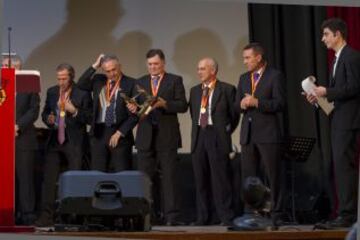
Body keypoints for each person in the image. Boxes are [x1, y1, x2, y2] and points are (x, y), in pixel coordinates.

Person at [304, 18, 360, 228]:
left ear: (338, 35)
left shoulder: (352, 56)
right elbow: (339, 95)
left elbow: (354, 87)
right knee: (340, 167)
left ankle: (348, 215)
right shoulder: (336, 59)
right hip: (339, 119)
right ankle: (345, 212)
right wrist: (318, 98)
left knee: (345, 167)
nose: (323, 39)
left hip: (349, 121)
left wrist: (326, 91)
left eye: (326, 34)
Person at [128, 49, 187, 225]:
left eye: (156, 64)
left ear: (163, 63)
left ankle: (172, 217)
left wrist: (164, 104)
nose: (153, 67)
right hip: (145, 137)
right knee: (145, 179)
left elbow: (183, 105)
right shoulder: (140, 82)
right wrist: (132, 108)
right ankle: (148, 216)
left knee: (169, 179)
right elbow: (136, 106)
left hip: (166, 137)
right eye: (150, 64)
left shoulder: (174, 80)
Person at [35, 63, 92, 226]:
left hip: (74, 142)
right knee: (49, 180)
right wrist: (48, 119)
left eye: (64, 79)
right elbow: (45, 112)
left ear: (71, 77)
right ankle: (46, 216)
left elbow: (89, 117)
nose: (61, 82)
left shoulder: (82, 93)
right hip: (55, 140)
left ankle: (74, 216)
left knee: (75, 179)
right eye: (58, 79)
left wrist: (73, 110)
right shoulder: (52, 91)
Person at [234, 43, 286, 221]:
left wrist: (257, 102)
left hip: (268, 134)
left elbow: (280, 104)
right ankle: (251, 212)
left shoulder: (274, 76)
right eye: (244, 58)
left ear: (258, 57)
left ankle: (277, 212)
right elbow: (236, 105)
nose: (245, 61)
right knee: (249, 177)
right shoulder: (243, 78)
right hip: (248, 135)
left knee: (273, 175)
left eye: (247, 58)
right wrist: (240, 104)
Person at [189, 57, 239, 226]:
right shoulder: (195, 91)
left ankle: (225, 216)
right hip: (199, 136)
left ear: (213, 70)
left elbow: (234, 116)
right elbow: (193, 115)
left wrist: (225, 132)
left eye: (202, 69)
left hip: (217, 136)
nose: (199, 72)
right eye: (198, 68)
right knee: (200, 179)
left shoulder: (227, 89)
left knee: (220, 179)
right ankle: (203, 217)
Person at [77, 54, 138, 172]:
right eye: (107, 71)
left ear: (120, 66)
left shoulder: (132, 83)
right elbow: (81, 84)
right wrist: (95, 66)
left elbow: (135, 114)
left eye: (114, 69)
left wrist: (119, 133)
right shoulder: (98, 80)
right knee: (97, 174)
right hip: (98, 133)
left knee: (122, 174)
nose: (111, 73)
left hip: (120, 134)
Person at [2, 55, 40, 225]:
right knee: (5, 179)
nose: (4, 69)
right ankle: (6, 213)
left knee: (25, 179)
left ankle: (27, 215)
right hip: (3, 140)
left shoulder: (29, 83)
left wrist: (17, 126)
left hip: (23, 138)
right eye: (2, 66)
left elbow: (33, 110)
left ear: (18, 68)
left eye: (7, 66)